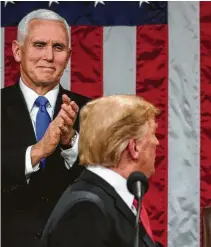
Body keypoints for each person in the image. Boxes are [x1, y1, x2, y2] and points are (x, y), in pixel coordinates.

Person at [1, 9, 90, 247]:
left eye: (58, 47)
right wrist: (37, 152)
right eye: (39, 45)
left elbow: (105, 185)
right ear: (18, 51)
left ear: (68, 55)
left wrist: (71, 142)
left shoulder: (93, 111)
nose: (49, 56)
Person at [41, 95, 163, 247]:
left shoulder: (108, 199)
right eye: (153, 134)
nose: (157, 142)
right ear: (134, 147)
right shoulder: (86, 210)